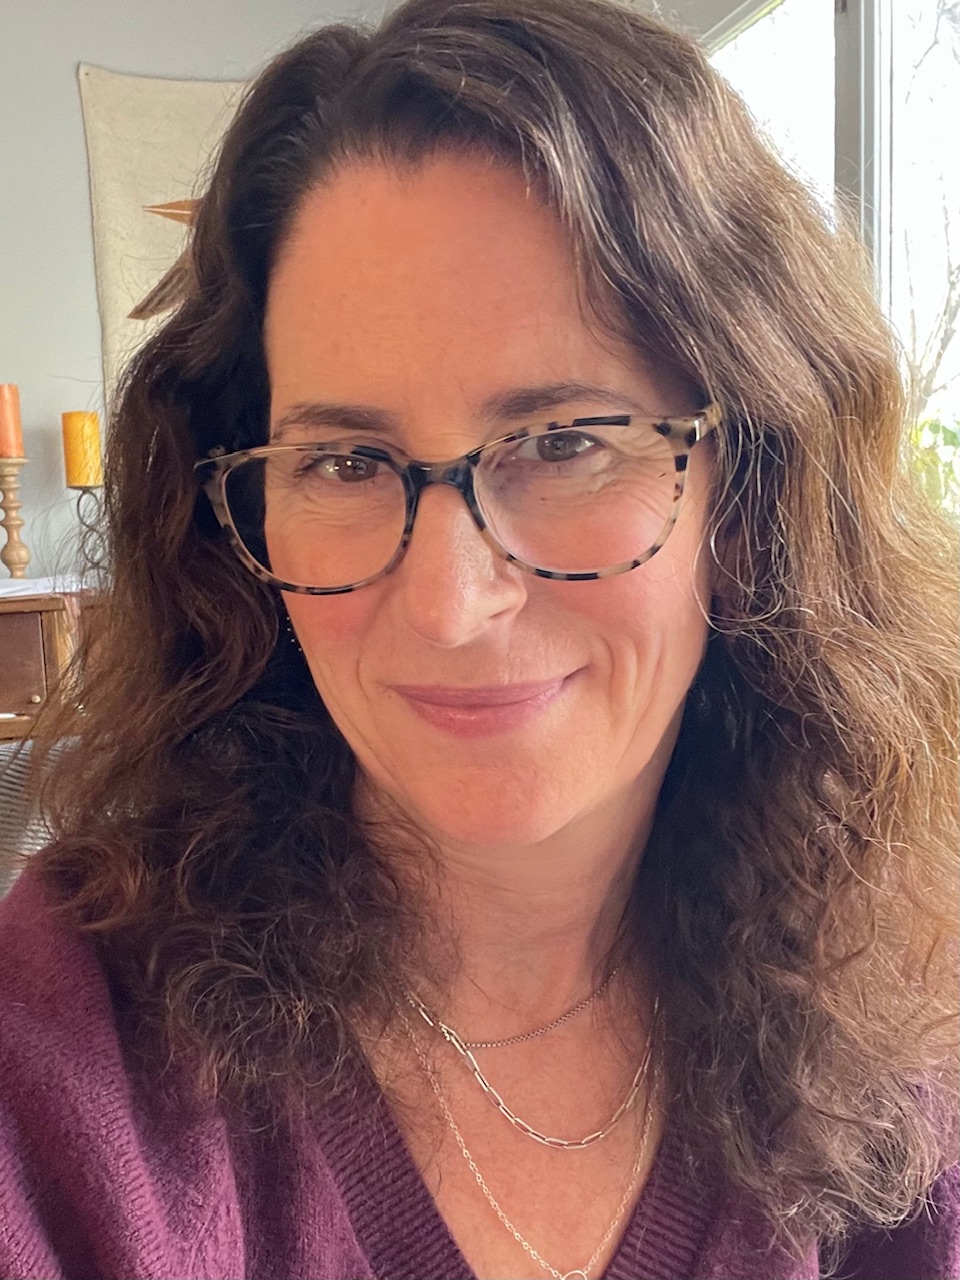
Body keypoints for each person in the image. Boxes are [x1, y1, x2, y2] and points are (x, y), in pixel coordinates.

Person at [1, 1, 957, 1276]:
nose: (451, 603)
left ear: (752, 489)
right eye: (343, 459)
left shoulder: (908, 1014)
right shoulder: (68, 1054)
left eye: (563, 442)